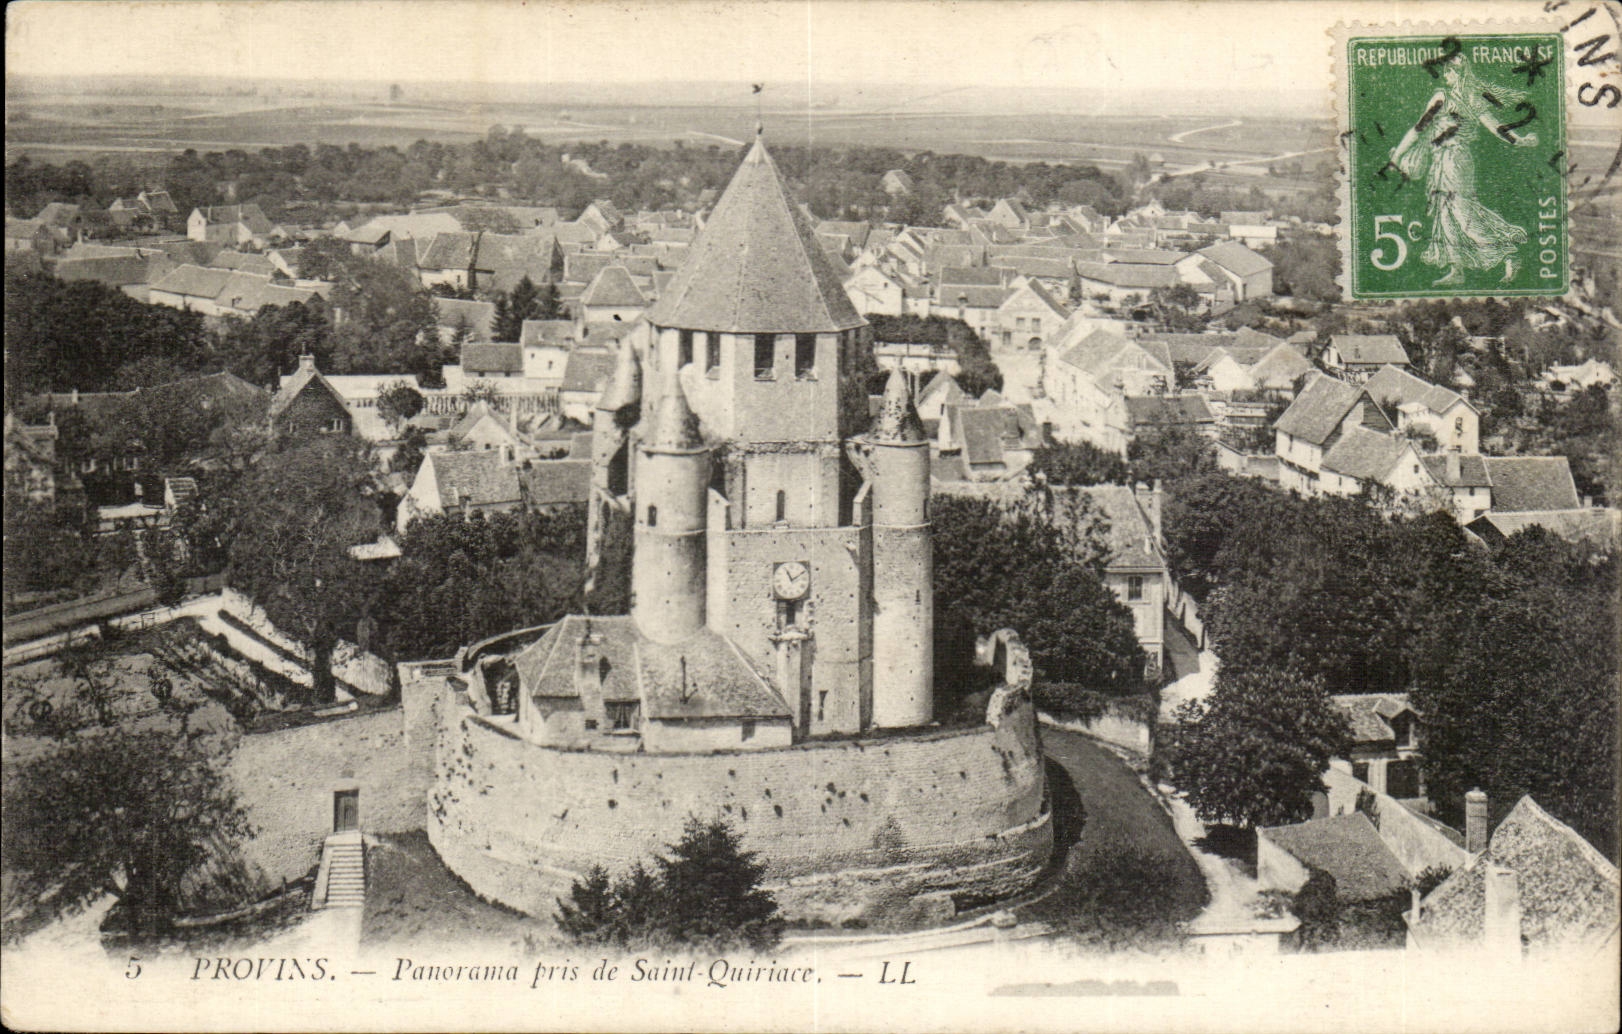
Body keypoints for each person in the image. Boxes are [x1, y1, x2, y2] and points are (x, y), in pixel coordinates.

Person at [1387, 53, 1539, 286]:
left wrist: (1397, 155)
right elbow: (1498, 128)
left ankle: (1508, 253)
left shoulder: (1444, 98)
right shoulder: (1472, 99)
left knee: (1462, 213)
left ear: (1458, 74)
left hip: (1453, 162)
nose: (1445, 75)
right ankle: (1457, 269)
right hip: (1447, 161)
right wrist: (1519, 140)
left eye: (1449, 71)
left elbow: (1418, 129)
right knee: (1444, 212)